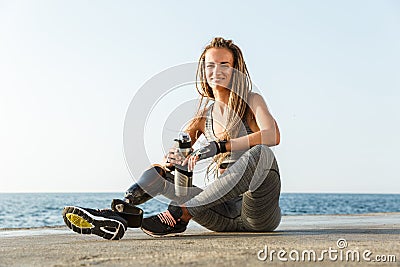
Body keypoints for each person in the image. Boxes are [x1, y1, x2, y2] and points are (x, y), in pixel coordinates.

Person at [62, 37, 281, 240]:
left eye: (224, 64)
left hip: (257, 212)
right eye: (210, 65)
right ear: (203, 70)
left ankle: (179, 213)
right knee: (160, 173)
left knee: (262, 154)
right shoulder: (201, 120)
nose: (217, 71)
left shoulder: (252, 100)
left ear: (235, 70)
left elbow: (273, 135)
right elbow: (175, 156)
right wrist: (173, 159)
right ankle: (120, 213)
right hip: (222, 215)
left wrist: (219, 146)